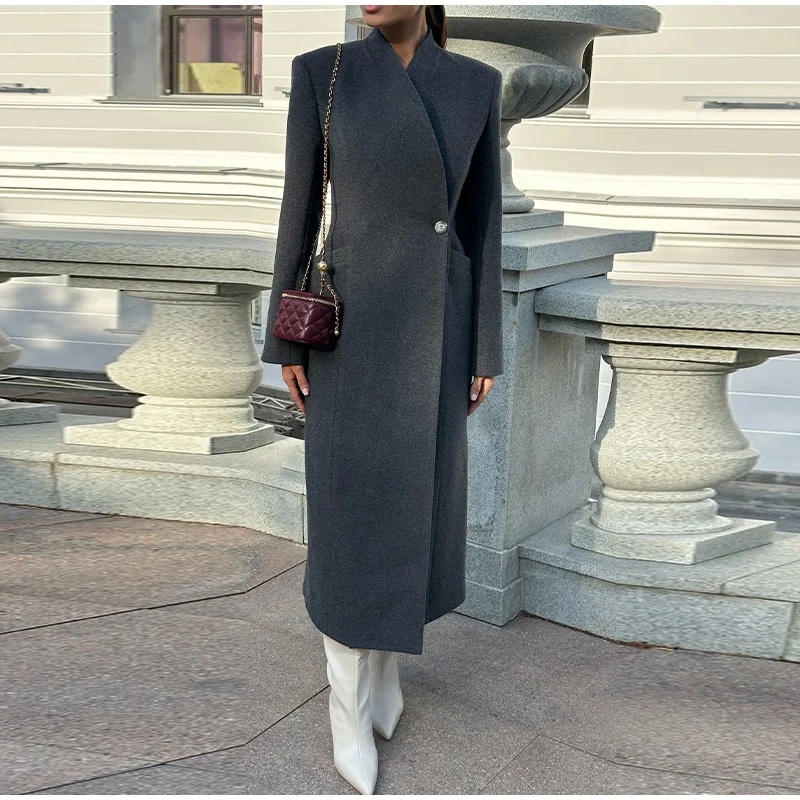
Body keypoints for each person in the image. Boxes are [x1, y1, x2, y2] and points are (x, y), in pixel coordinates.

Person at [260, 4, 503, 793]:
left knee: (414, 506)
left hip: (438, 326)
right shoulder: (323, 73)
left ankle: (387, 667)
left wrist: (485, 345)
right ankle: (346, 708)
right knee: (351, 514)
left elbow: (482, 224)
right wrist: (285, 340)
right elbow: (299, 210)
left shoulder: (475, 83)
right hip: (351, 327)